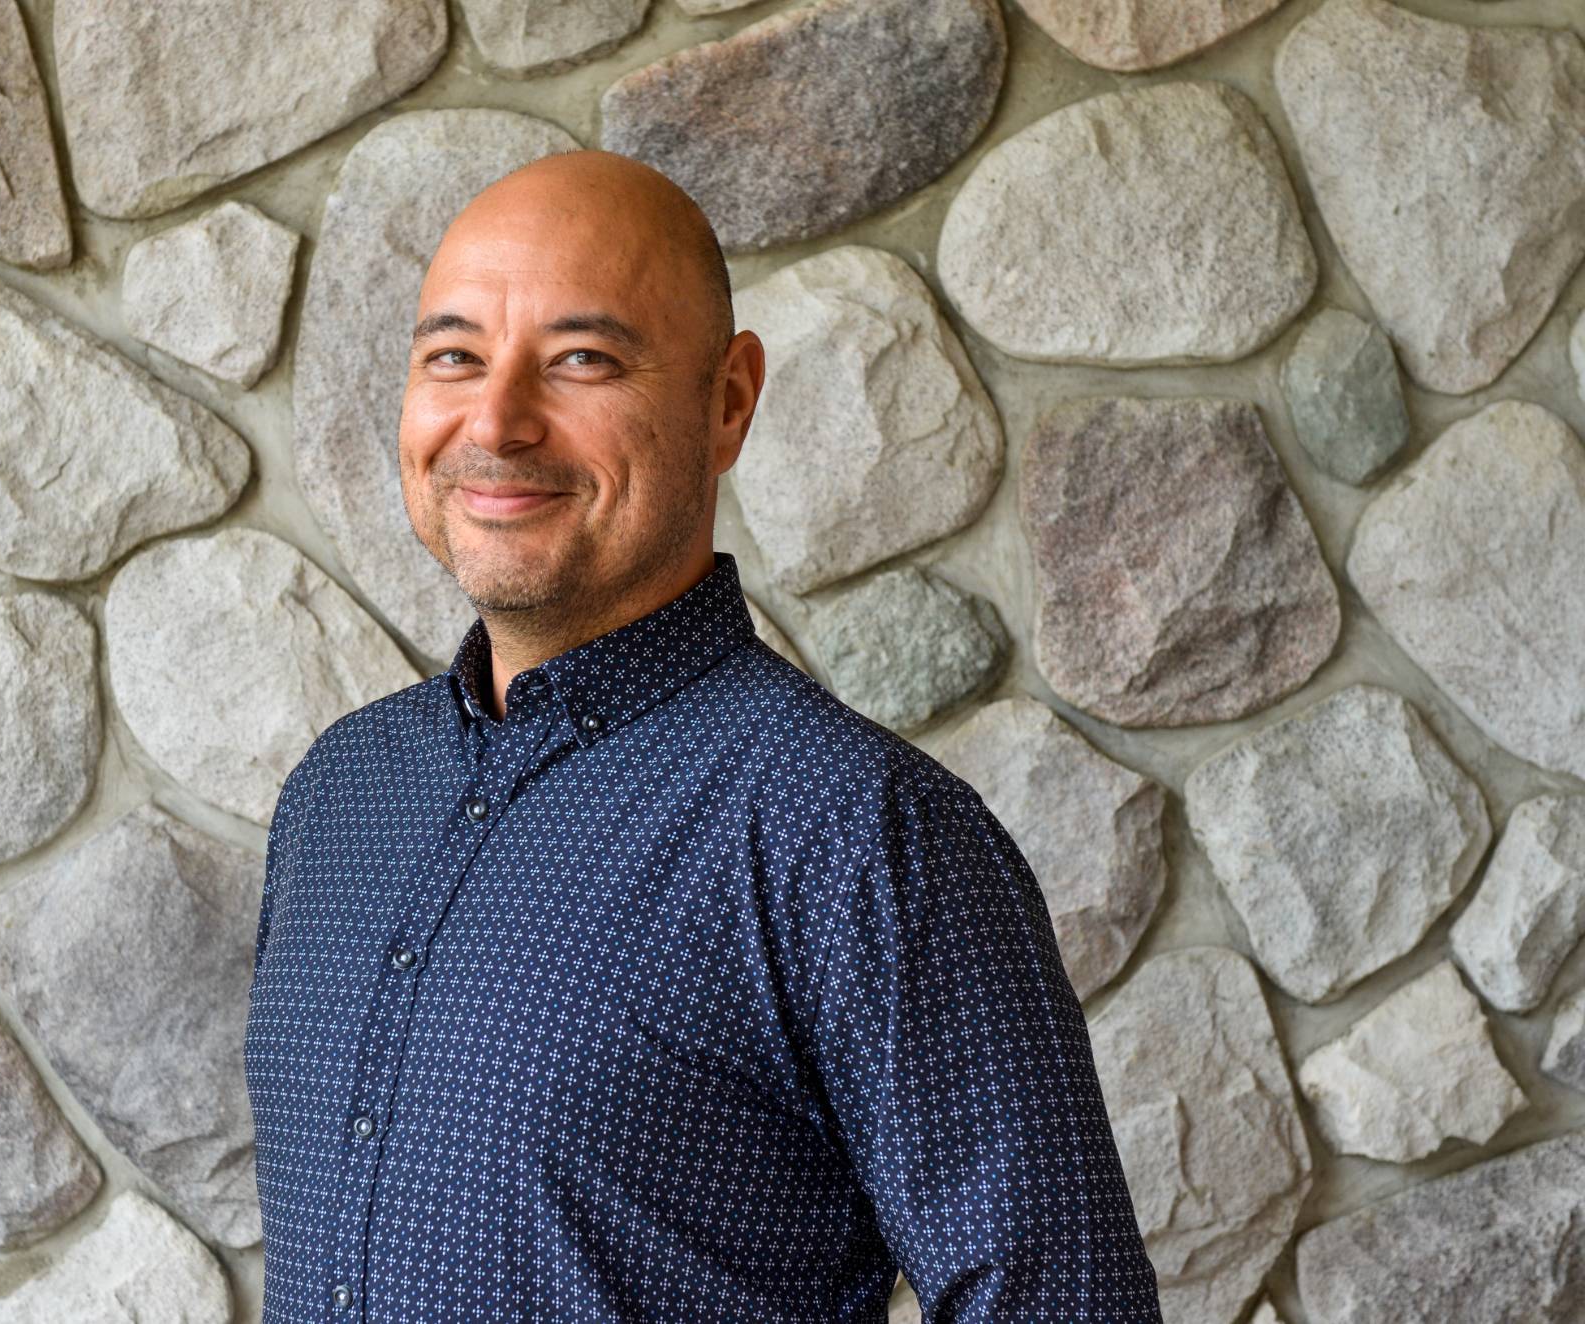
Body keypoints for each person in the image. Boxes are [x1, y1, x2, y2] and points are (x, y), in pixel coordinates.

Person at [243, 148, 1162, 1323]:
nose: (497, 421)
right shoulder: (337, 794)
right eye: (454, 358)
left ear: (726, 401)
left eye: (579, 359)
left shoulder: (857, 831)